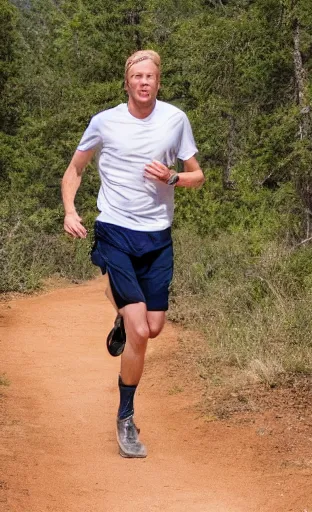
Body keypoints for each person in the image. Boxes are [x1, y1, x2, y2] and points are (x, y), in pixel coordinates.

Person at [61, 49, 205, 458]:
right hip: (115, 229)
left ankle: (125, 318)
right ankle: (125, 419)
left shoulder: (175, 120)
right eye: (137, 76)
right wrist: (71, 210)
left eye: (150, 77)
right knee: (141, 331)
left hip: (157, 236)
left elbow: (198, 175)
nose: (144, 82)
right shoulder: (104, 122)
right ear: (126, 82)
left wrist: (174, 176)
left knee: (153, 326)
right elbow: (74, 170)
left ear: (159, 82)